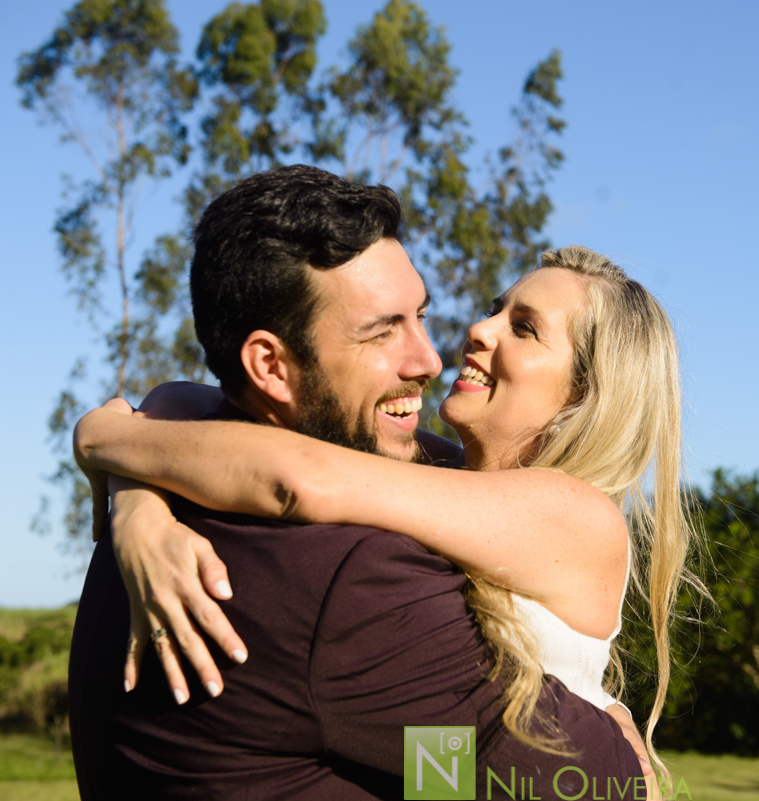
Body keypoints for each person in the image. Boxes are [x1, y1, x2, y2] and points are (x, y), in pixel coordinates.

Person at [68, 165, 648, 800]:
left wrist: (119, 461)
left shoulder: (564, 512)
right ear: (269, 365)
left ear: (585, 397)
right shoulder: (353, 575)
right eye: (382, 330)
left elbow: (281, 462)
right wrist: (622, 752)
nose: (445, 350)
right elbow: (583, 782)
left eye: (525, 328)